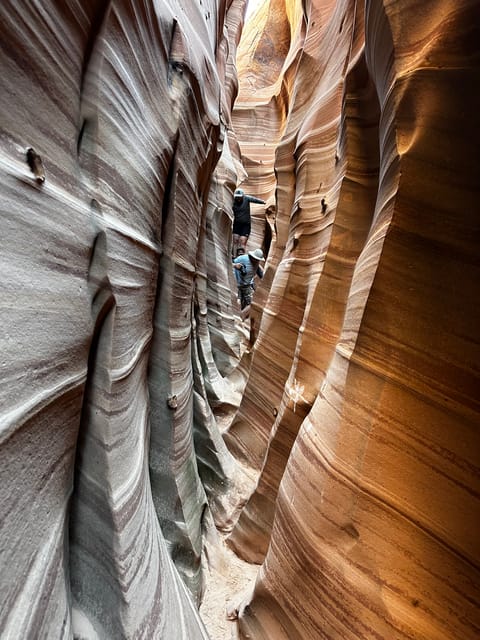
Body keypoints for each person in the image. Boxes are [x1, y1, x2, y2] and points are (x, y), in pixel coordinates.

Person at [232, 247, 265, 320]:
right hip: (236, 284)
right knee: (238, 302)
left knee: (253, 303)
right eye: (256, 259)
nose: (257, 261)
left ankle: (241, 317)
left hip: (247, 286)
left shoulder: (257, 263)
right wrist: (235, 266)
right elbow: (230, 263)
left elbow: (261, 275)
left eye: (258, 260)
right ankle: (240, 317)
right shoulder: (243, 258)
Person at [232, 188, 266, 258]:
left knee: (242, 241)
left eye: (240, 197)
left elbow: (255, 200)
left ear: (243, 196)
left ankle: (240, 258)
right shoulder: (232, 201)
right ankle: (234, 257)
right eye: (237, 197)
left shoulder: (246, 199)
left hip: (245, 225)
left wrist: (264, 202)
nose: (238, 199)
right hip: (237, 224)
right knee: (235, 240)